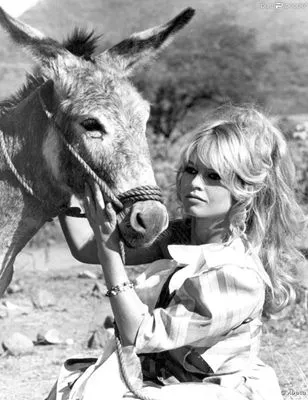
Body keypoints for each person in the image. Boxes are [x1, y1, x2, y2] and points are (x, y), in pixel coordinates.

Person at [52, 104, 305, 400]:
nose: (195, 183)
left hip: (212, 392)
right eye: (191, 170)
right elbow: (85, 248)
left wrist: (110, 249)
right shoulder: (183, 235)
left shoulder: (236, 275)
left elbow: (139, 334)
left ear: (244, 190)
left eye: (214, 177)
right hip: (164, 380)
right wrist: (59, 182)